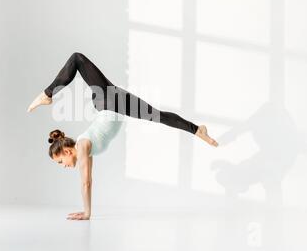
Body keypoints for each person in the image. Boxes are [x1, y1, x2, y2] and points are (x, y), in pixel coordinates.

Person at [28, 52, 218, 220]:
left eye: (61, 162)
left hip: (109, 101)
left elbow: (85, 182)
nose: (64, 166)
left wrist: (87, 213)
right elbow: (90, 180)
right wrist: (88, 211)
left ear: (67, 151)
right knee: (158, 116)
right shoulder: (86, 149)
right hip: (115, 102)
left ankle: (47, 94)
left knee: (77, 59)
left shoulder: (84, 145)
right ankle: (196, 129)